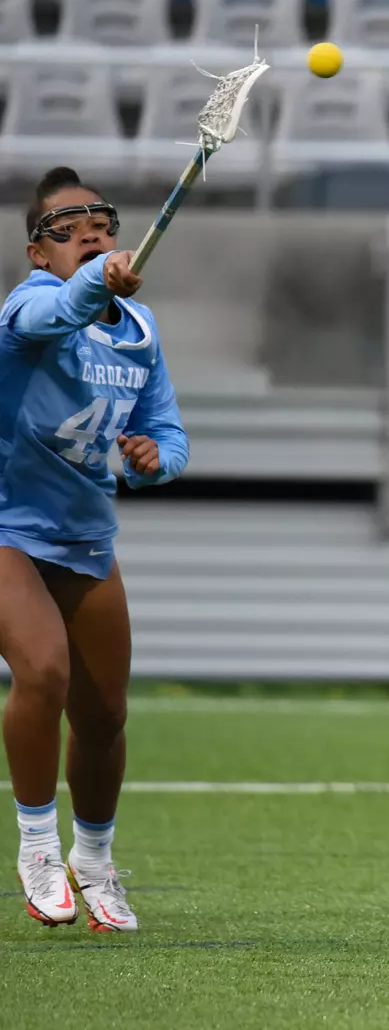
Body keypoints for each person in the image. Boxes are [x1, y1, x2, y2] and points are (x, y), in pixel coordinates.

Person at [4, 167, 189, 932]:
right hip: (9, 528)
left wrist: (154, 462)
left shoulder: (140, 333)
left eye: (102, 224)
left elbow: (168, 432)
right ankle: (39, 847)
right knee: (43, 670)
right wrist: (96, 283)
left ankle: (95, 859)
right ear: (37, 251)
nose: (90, 232)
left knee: (106, 715)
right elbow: (62, 312)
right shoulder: (28, 304)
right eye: (67, 226)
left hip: (85, 534)